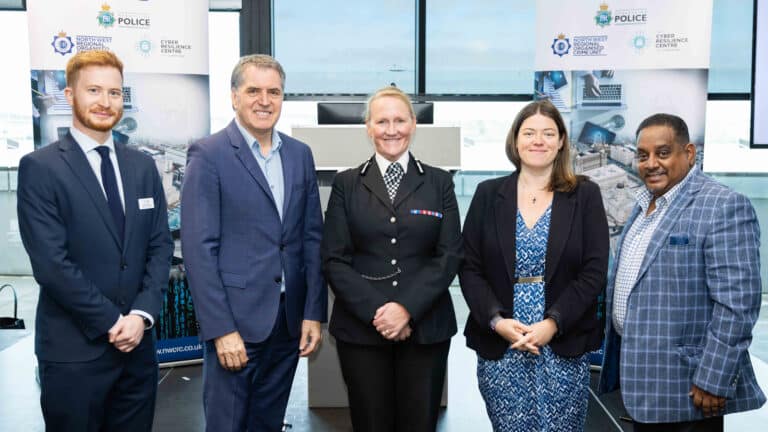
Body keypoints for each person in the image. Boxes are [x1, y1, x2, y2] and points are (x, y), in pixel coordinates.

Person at [17, 50, 173, 431]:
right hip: (75, 354)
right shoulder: (41, 167)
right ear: (70, 96)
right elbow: (52, 265)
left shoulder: (142, 166)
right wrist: (111, 321)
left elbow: (160, 246)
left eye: (115, 93)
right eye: (94, 90)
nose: (105, 102)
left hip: (138, 350)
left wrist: (141, 316)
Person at [180, 54, 326, 432]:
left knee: (267, 422)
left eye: (274, 92)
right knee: (227, 424)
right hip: (236, 323)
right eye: (253, 91)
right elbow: (199, 250)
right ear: (234, 97)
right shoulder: (208, 154)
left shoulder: (299, 154)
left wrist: (313, 312)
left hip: (288, 321)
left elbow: (311, 239)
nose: (264, 100)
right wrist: (220, 329)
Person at [599, 113, 765, 431]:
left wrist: (714, 378)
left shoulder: (722, 205)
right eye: (642, 155)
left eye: (663, 153)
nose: (651, 164)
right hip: (645, 380)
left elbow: (737, 306)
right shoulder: (643, 206)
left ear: (688, 153)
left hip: (690, 387)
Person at [460, 99, 609, 431]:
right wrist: (496, 321)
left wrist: (552, 324)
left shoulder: (585, 195)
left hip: (561, 338)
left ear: (560, 142)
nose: (538, 140)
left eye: (548, 133)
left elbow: (594, 270)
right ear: (515, 141)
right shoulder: (488, 194)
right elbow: (469, 266)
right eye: (529, 133)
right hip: (503, 341)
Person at [321, 86, 463, 431]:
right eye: (382, 121)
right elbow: (334, 259)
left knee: (420, 423)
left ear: (413, 124)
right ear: (368, 128)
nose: (391, 129)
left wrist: (406, 309)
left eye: (400, 120)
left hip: (425, 328)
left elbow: (449, 255)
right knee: (371, 423)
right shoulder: (347, 183)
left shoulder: (440, 182)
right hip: (362, 330)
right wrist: (379, 313)